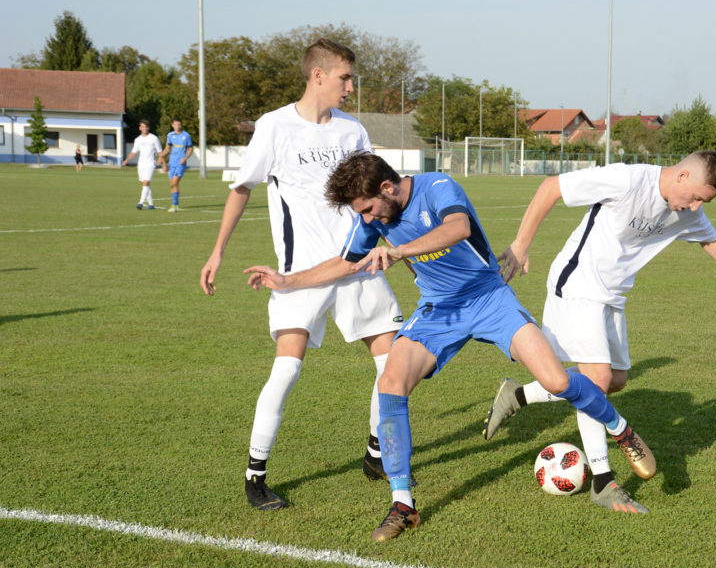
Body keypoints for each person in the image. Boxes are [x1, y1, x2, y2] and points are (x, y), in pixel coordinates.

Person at [244, 153, 655, 541]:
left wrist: (400, 249)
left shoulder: (438, 185)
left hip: (489, 298)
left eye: (367, 209)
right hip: (439, 310)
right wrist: (286, 281)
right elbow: (345, 261)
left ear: (387, 187)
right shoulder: (372, 222)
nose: (366, 219)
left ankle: (621, 429)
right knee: (391, 381)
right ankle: (403, 504)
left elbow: (457, 228)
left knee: (556, 379)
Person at [484, 152, 716, 508]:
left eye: (703, 202)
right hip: (578, 284)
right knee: (597, 381)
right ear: (681, 176)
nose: (696, 208)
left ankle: (518, 396)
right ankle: (603, 482)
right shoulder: (628, 180)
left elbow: (710, 239)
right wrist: (520, 245)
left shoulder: (687, 211)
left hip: (612, 296)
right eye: (695, 198)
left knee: (616, 380)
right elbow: (551, 187)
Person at [199, 40, 404, 512]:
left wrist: (397, 243)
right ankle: (256, 475)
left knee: (392, 363)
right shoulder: (275, 126)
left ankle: (376, 454)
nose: (351, 87)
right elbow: (241, 188)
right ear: (318, 76)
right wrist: (217, 253)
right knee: (287, 369)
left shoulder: (353, 130)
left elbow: (377, 191)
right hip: (299, 273)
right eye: (345, 78)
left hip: (357, 265)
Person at [122, 120, 164, 210]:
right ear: (140, 128)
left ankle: (140, 203)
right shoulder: (138, 139)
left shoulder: (154, 138)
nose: (144, 128)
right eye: (142, 126)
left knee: (146, 183)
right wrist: (126, 160)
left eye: (146, 126)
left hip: (150, 164)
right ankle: (151, 204)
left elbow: (160, 151)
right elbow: (133, 152)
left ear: (148, 128)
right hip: (141, 165)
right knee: (145, 185)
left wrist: (163, 162)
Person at [158, 118, 193, 213]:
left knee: (174, 183)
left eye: (179, 124)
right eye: (176, 124)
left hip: (180, 163)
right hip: (172, 162)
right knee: (171, 184)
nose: (177, 126)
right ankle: (175, 204)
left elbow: (190, 149)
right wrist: (161, 155)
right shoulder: (170, 135)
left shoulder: (186, 136)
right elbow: (167, 148)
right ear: (172, 125)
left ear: (181, 125)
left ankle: (174, 205)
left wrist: (185, 158)